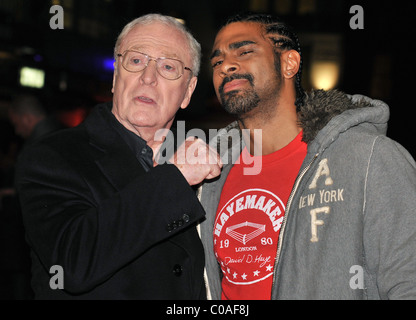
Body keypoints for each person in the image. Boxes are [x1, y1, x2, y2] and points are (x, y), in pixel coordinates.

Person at [198, 12, 416, 300]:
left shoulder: (368, 159)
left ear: (289, 63)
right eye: (216, 61)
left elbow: (408, 282)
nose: (225, 65)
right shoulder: (209, 176)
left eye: (244, 51)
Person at [15, 13, 222, 299]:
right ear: (115, 77)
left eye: (168, 66)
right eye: (136, 61)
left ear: (187, 92)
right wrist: (173, 178)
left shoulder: (203, 169)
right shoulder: (54, 155)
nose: (148, 77)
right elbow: (71, 263)